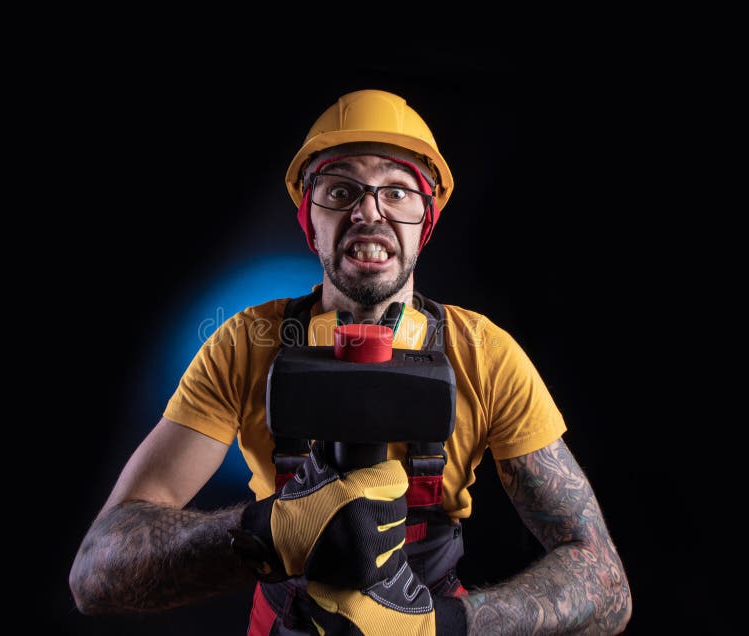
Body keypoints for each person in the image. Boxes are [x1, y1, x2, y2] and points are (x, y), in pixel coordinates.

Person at [69, 89, 632, 634]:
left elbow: (606, 587)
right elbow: (95, 573)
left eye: (398, 192)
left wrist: (443, 626)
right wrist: (267, 534)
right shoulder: (245, 344)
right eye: (340, 191)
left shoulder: (486, 356)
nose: (369, 211)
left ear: (425, 223)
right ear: (309, 222)